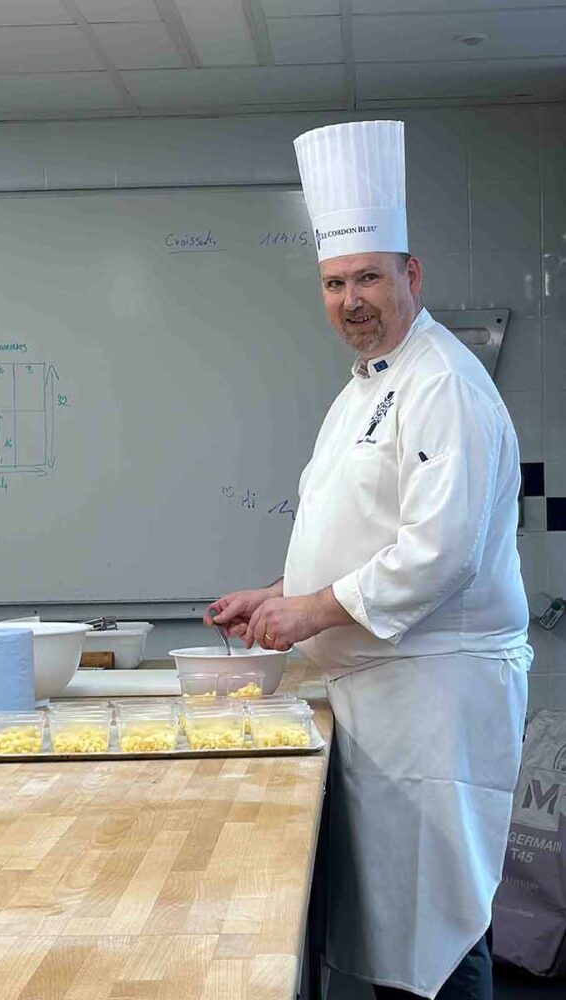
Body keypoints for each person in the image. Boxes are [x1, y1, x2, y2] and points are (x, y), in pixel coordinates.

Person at [205, 120, 531, 999]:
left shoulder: (442, 385)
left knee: (439, 933)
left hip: (434, 698)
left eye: (368, 278)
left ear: (411, 276)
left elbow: (440, 553)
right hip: (380, 696)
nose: (350, 299)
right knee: (403, 933)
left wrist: (310, 613)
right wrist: (277, 592)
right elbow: (365, 529)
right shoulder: (368, 385)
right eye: (333, 283)